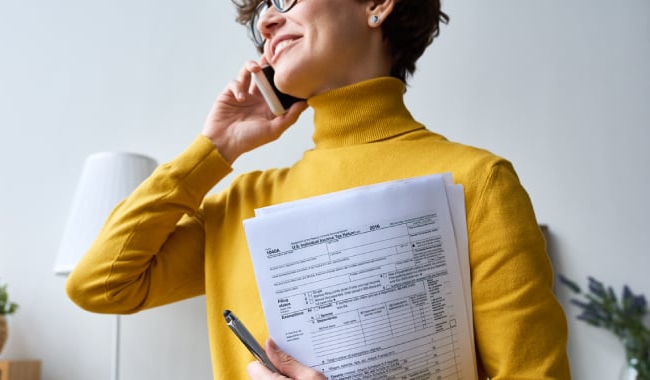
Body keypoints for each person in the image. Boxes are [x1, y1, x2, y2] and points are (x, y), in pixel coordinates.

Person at [66, 0, 572, 378]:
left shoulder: (478, 182)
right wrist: (213, 150)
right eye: (263, 9)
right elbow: (99, 284)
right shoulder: (241, 203)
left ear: (376, 4)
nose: (266, 21)